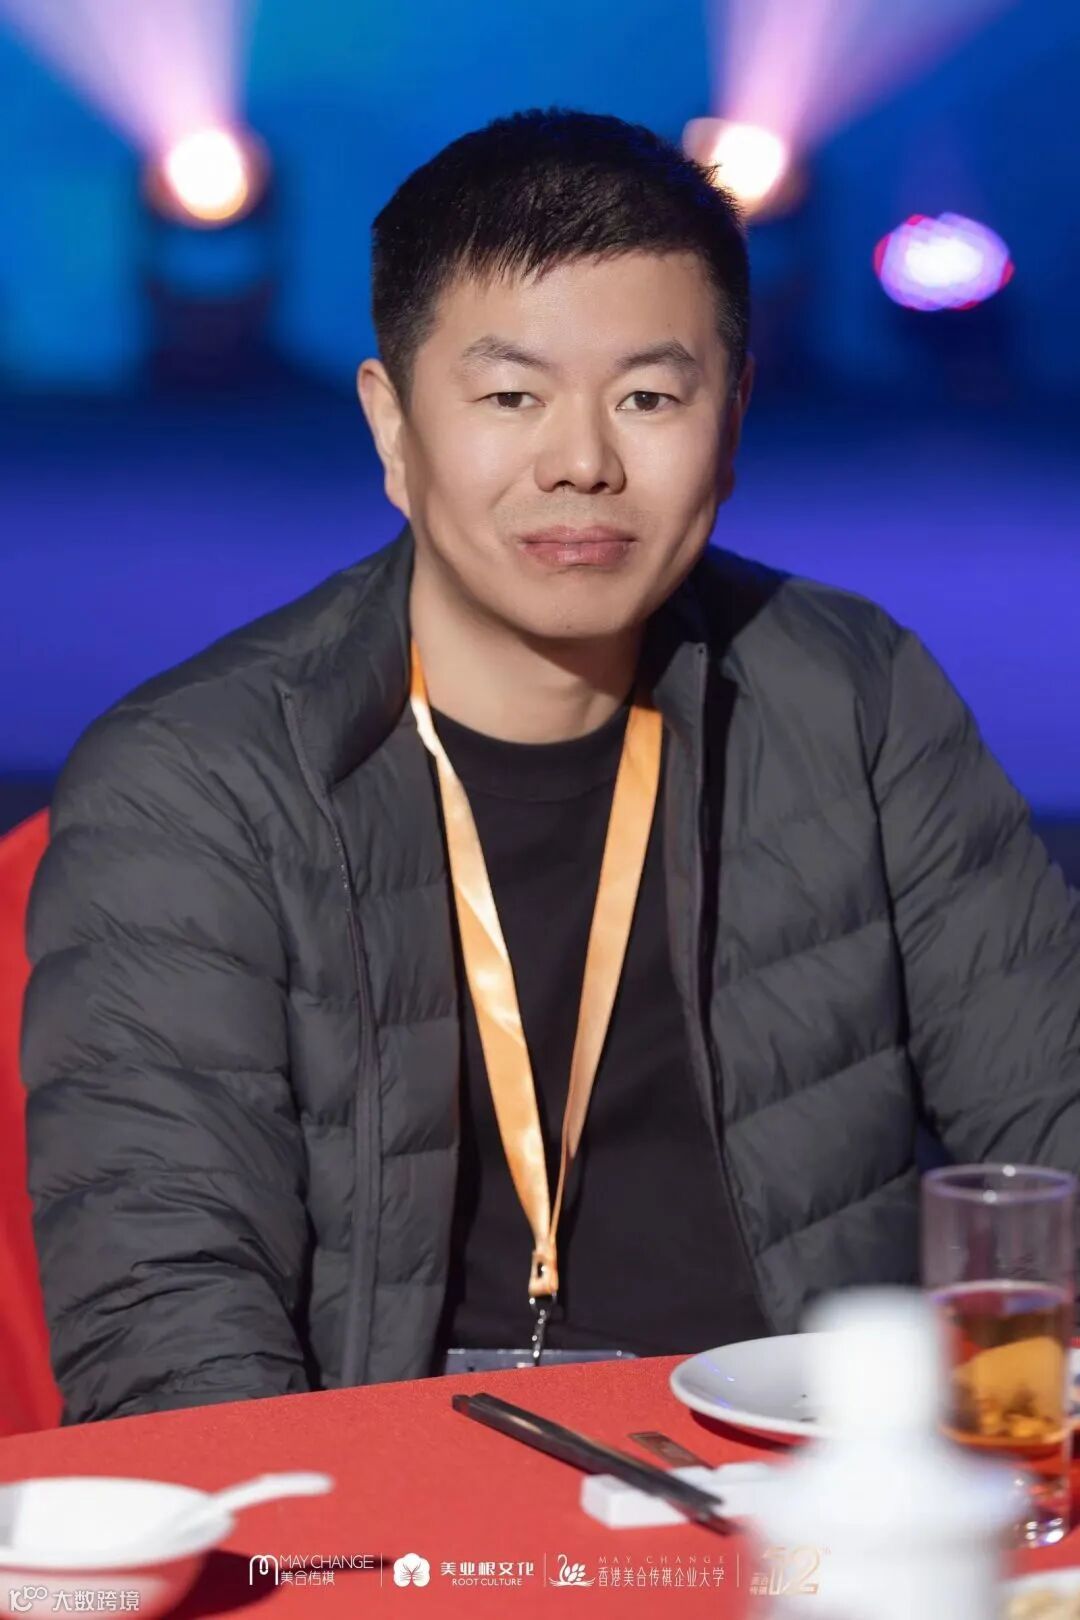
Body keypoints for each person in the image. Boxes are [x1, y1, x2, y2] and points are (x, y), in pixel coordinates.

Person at [21, 107, 1080, 1425]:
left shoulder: (853, 696)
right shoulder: (196, 783)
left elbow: (1056, 1119)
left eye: (649, 398)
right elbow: (171, 1335)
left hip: (816, 1485)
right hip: (390, 1507)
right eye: (511, 397)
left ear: (733, 419)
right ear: (394, 428)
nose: (583, 464)